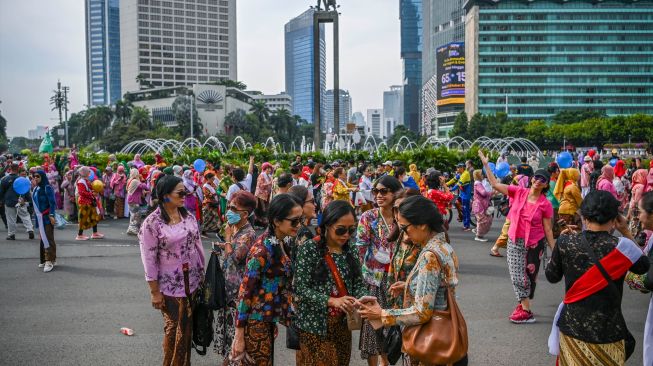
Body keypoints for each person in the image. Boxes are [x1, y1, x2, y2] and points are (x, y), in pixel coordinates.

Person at [358, 195, 466, 366]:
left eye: (405, 228)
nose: (403, 233)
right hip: (444, 331)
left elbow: (422, 312)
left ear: (422, 224)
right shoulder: (444, 246)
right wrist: (409, 286)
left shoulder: (430, 256)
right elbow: (441, 289)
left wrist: (381, 314)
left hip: (429, 340)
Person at [546, 190, 649, 366]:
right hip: (609, 331)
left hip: (573, 328)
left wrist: (558, 248)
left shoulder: (566, 242)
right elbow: (643, 266)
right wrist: (625, 230)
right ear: (614, 218)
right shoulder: (622, 247)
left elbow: (552, 276)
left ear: (584, 216)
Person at [480, 150, 555, 323]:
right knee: (517, 274)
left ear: (546, 185)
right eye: (536, 177)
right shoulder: (519, 192)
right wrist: (486, 164)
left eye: (542, 180)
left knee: (529, 276)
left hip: (535, 244)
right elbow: (495, 184)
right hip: (515, 240)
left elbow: (548, 230)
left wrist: (555, 252)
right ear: (531, 178)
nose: (537, 181)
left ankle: (523, 305)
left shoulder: (545, 204)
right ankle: (526, 311)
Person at [139, 175, 205, 366]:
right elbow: (149, 259)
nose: (185, 195)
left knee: (187, 330)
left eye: (186, 192)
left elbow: (198, 246)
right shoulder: (152, 223)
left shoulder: (188, 216)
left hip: (192, 282)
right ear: (165, 195)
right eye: (180, 192)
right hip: (169, 287)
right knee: (174, 328)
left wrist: (202, 275)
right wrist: (154, 292)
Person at [230, 194, 302, 365]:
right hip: (255, 323)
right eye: (294, 221)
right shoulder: (262, 250)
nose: (299, 225)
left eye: (301, 220)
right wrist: (239, 335)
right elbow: (245, 292)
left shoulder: (280, 242)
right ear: (277, 221)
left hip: (267, 320)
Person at [294, 200, 367, 366]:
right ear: (326, 226)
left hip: (342, 326)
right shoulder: (309, 248)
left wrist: (362, 299)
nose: (346, 235)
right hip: (314, 326)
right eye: (341, 230)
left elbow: (358, 283)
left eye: (351, 230)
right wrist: (332, 301)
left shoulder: (351, 249)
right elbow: (300, 288)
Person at [355, 175, 403, 366]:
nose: (378, 195)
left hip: (396, 279)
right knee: (372, 327)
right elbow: (360, 246)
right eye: (375, 191)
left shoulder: (402, 215)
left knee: (391, 325)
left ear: (395, 193)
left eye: (384, 191)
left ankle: (387, 361)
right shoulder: (369, 216)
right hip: (373, 278)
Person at [213, 190, 258, 358]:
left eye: (233, 208)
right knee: (228, 335)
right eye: (229, 206)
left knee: (235, 337)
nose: (228, 211)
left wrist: (227, 239)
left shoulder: (248, 234)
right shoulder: (236, 229)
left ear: (245, 214)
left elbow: (236, 257)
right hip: (228, 290)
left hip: (237, 293)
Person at [31, 170, 57, 272]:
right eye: (34, 177)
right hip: (40, 218)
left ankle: (49, 261)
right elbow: (35, 203)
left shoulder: (47, 187)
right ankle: (45, 260)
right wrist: (24, 203)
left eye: (38, 176)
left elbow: (52, 203)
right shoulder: (36, 188)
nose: (36, 178)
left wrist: (51, 215)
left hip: (47, 217)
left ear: (42, 177)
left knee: (48, 239)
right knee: (43, 239)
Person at [0, 163, 34, 240]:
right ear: (18, 169)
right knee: (25, 216)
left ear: (10, 169)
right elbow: (26, 191)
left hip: (9, 201)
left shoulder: (4, 179)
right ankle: (30, 230)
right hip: (20, 200)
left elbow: (1, 192)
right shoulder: (22, 179)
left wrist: (1, 201)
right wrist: (29, 200)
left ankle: (11, 234)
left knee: (11, 218)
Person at [76, 166, 103, 240]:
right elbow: (82, 193)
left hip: (90, 202)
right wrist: (92, 194)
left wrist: (94, 191)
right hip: (84, 203)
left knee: (94, 217)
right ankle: (79, 235)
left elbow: (90, 189)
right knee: (83, 218)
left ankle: (95, 233)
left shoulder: (86, 180)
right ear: (84, 173)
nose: (90, 172)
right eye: (88, 171)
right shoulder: (81, 182)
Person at [447, 163, 472, 231]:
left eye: (458, 167)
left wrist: (451, 189)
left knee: (465, 210)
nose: (457, 169)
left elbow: (458, 184)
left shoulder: (465, 174)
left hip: (466, 194)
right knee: (455, 202)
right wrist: (445, 184)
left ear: (462, 168)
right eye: (457, 167)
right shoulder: (460, 174)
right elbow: (453, 180)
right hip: (462, 193)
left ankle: (467, 226)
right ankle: (460, 215)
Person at [126, 168, 149, 236]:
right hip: (134, 200)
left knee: (134, 215)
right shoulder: (135, 181)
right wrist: (142, 180)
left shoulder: (130, 180)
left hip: (131, 199)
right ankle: (133, 229)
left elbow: (139, 189)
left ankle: (131, 229)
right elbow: (144, 186)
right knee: (136, 215)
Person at [627, 169, 649, 237]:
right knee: (635, 227)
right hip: (637, 209)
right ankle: (631, 240)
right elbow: (637, 200)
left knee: (633, 225)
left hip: (633, 208)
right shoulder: (641, 186)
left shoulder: (636, 185)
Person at [472, 169, 492, 242]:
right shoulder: (478, 183)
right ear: (478, 175)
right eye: (481, 174)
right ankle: (479, 236)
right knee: (482, 220)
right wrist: (490, 193)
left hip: (480, 204)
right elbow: (483, 193)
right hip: (479, 205)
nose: (483, 175)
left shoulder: (479, 183)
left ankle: (478, 231)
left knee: (482, 219)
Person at [254, 162, 273, 226]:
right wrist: (269, 183)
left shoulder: (269, 176)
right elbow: (260, 185)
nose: (269, 170)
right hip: (260, 195)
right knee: (262, 208)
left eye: (270, 168)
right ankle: (261, 223)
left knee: (265, 208)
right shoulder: (261, 175)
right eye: (267, 168)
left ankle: (263, 222)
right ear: (264, 168)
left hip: (266, 194)